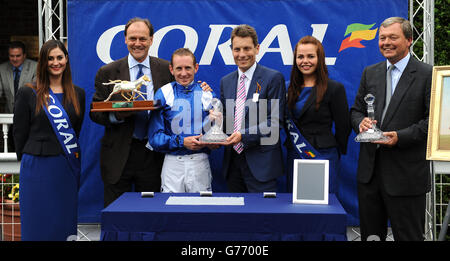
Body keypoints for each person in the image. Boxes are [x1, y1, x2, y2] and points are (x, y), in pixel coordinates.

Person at [90, 17, 210, 206]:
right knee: (116, 214)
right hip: (119, 155)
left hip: (155, 155)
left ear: (151, 40)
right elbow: (95, 111)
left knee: (151, 213)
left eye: (143, 39)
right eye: (133, 38)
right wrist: (117, 116)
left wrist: (204, 89)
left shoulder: (166, 69)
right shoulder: (108, 72)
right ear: (125, 39)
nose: (138, 43)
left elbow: (185, 88)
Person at [350, 17, 432, 241]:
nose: (386, 42)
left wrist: (400, 137)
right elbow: (356, 110)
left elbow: (432, 122)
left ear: (409, 40)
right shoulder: (370, 72)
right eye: (382, 38)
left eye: (393, 37)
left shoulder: (428, 75)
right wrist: (360, 123)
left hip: (406, 177)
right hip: (370, 176)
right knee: (372, 238)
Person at [13, 39, 85, 240]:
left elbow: (76, 130)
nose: (55, 62)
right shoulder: (28, 92)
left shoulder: (78, 94)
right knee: (37, 221)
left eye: (59, 57)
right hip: (36, 166)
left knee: (62, 220)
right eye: (50, 58)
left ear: (66, 60)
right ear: (43, 62)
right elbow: (19, 132)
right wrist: (28, 158)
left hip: (65, 167)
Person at [220, 24, 286, 193]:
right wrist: (214, 123)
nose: (242, 54)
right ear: (231, 50)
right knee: (236, 218)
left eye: (247, 48)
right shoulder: (226, 82)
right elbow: (226, 121)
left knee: (264, 218)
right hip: (233, 164)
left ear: (257, 49)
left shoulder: (273, 78)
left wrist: (243, 135)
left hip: (261, 165)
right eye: (237, 49)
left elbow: (274, 123)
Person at [285, 36, 351, 194]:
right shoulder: (286, 88)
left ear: (319, 59)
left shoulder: (334, 88)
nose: (305, 61)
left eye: (310, 56)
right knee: (296, 204)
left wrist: (334, 149)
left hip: (323, 155)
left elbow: (344, 126)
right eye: (300, 57)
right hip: (295, 153)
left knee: (323, 204)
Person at [148, 48, 216, 192]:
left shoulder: (207, 93)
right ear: (171, 69)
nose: (183, 73)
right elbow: (155, 138)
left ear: (196, 68)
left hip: (200, 162)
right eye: (179, 68)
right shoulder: (163, 93)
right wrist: (181, 142)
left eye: (188, 68)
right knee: (171, 211)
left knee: (201, 211)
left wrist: (211, 142)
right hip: (173, 163)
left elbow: (217, 135)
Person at [0, 41, 37, 113]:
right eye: (12, 56)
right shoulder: (2, 69)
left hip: (30, 114)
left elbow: (36, 92)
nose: (15, 59)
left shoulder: (35, 67)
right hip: (10, 114)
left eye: (18, 56)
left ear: (24, 55)